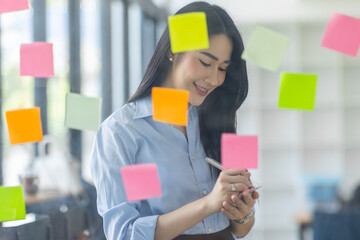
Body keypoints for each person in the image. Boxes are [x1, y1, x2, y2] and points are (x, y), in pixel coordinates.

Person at [90, 1, 260, 239]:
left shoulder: (214, 117)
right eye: (205, 62)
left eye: (223, 68)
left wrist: (242, 212)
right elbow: (124, 233)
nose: (214, 79)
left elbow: (241, 229)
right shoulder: (123, 132)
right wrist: (209, 203)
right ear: (173, 50)